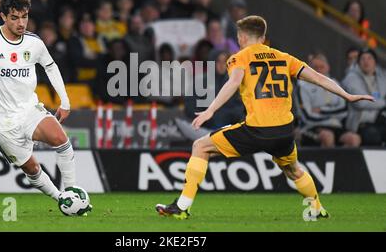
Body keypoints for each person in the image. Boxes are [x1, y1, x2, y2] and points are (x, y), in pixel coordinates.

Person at [156, 15, 374, 220]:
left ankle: (182, 207)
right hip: (285, 131)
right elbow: (317, 78)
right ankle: (316, 208)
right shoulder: (284, 57)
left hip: (257, 129)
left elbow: (233, 83)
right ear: (263, 38)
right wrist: (347, 95)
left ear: (241, 37)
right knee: (293, 169)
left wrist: (210, 110)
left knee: (200, 146)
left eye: (239, 37)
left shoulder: (239, 57)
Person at [0, 0, 89, 209]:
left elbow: (51, 68)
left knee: (61, 139)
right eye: (15, 17)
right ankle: (59, 198)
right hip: (0, 120)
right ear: (3, 17)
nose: (21, 22)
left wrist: (65, 101)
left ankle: (72, 193)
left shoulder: (34, 43)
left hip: (28, 110)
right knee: (32, 169)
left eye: (24, 16)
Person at [296, 53, 361, 148]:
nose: (319, 70)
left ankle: (343, 162)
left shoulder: (335, 84)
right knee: (327, 136)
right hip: (310, 127)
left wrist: (321, 110)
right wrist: (332, 114)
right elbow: (307, 116)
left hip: (335, 126)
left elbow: (344, 110)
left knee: (354, 139)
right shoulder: (302, 86)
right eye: (315, 67)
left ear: (328, 67)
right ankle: (329, 162)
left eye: (321, 67)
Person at [342, 49, 386, 145]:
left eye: (369, 58)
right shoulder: (351, 78)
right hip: (360, 123)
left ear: (375, 62)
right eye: (363, 59)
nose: (366, 61)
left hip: (380, 120)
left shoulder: (382, 78)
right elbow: (361, 101)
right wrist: (383, 103)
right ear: (358, 63)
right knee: (373, 135)